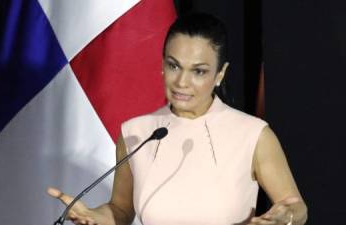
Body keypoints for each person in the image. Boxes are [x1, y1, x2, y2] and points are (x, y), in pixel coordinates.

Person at [48, 13, 308, 225]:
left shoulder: (253, 134)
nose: (182, 82)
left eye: (198, 71)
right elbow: (120, 210)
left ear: (220, 74)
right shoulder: (136, 133)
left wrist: (285, 217)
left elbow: (295, 206)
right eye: (174, 66)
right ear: (162, 64)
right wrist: (95, 217)